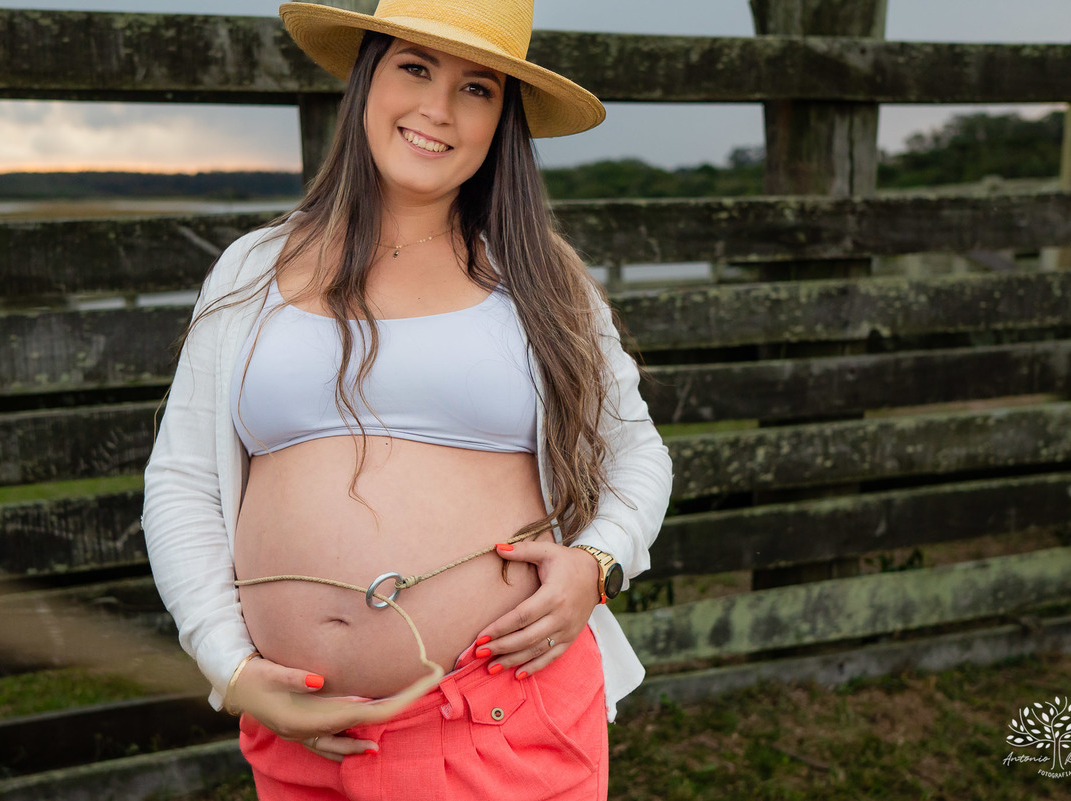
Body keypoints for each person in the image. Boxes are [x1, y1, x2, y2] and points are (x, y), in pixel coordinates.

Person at [141, 0, 673, 798]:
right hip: (305, 740)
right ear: (367, 80)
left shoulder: (539, 277)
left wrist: (597, 563)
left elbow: (637, 451)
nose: (438, 108)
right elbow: (182, 479)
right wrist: (229, 663)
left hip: (501, 720)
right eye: (414, 68)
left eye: (477, 88)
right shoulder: (251, 269)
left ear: (502, 120)